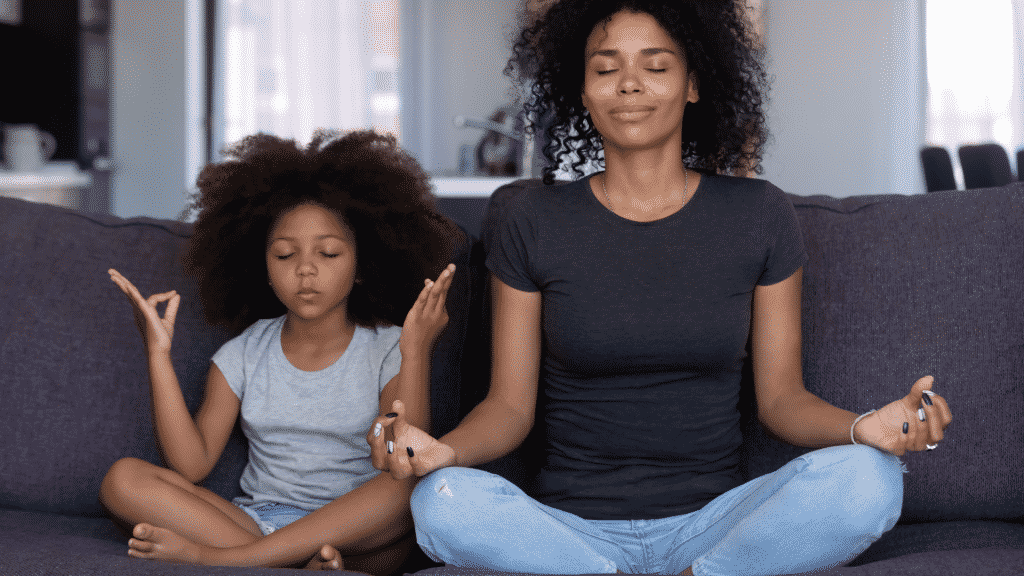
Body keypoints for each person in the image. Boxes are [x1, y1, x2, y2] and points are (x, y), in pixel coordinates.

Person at [370, 2, 954, 575]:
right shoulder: (534, 219)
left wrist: (866, 426)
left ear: (693, 84)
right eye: (605, 68)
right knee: (440, 499)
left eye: (655, 66)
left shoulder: (758, 214)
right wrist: (446, 452)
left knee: (871, 479)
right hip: (568, 528)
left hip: (717, 519)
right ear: (581, 89)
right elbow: (508, 408)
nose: (629, 85)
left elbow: (783, 402)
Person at [99, 129, 460, 573]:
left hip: (357, 532)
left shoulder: (387, 347)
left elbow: (399, 453)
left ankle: (231, 561)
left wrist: (416, 350)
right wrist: (158, 355)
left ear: (363, 265)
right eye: (285, 255)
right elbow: (191, 465)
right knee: (123, 480)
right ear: (263, 269)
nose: (305, 269)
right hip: (259, 522)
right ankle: (295, 564)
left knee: (405, 488)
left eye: (328, 253)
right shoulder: (243, 354)